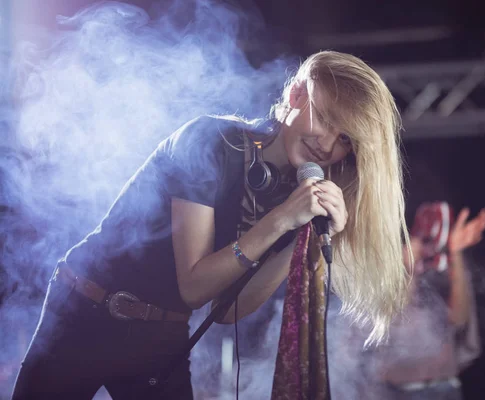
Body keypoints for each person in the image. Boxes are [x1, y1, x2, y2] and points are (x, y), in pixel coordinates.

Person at [11, 50, 412, 399]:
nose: (327, 144)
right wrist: (279, 220)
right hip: (85, 312)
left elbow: (228, 310)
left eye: (344, 140)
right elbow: (194, 285)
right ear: (295, 95)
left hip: (161, 337)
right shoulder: (209, 141)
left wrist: (297, 236)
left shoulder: (294, 199)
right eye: (324, 118)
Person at [362, 202, 485, 400]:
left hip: (445, 387)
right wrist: (409, 270)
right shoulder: (380, 278)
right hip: (399, 391)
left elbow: (459, 320)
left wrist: (456, 253)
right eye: (421, 236)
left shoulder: (440, 273)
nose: (427, 246)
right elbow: (399, 327)